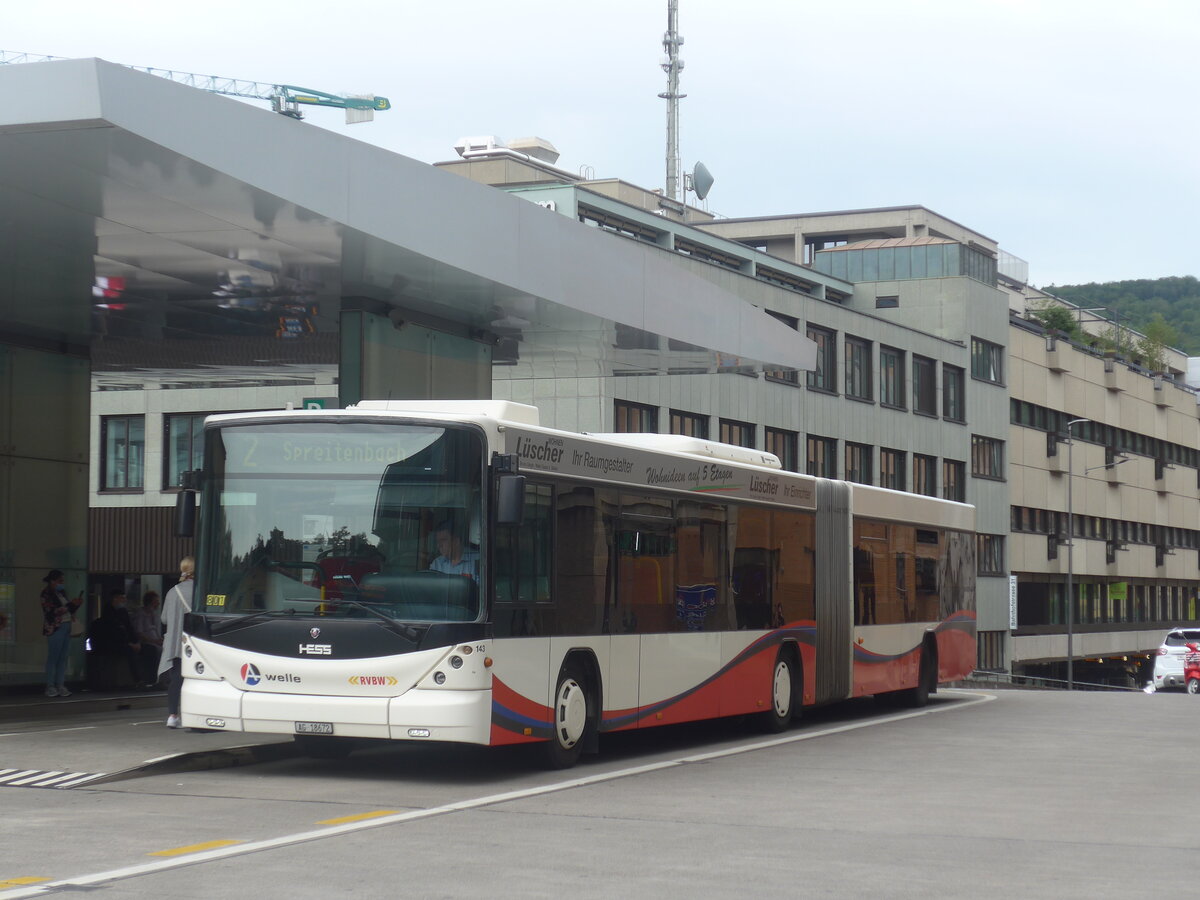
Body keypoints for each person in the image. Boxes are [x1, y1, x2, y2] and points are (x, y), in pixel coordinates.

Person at [157, 557, 193, 729]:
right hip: (197, 642)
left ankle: (173, 715)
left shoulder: (173, 591)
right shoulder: (201, 591)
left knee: (177, 678)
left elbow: (164, 618)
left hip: (177, 643)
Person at [40, 569, 82, 698]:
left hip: (66, 625)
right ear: (52, 581)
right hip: (55, 627)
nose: (62, 583)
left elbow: (67, 610)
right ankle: (50, 686)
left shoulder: (61, 592)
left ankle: (60, 685)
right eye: (60, 581)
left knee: (63, 657)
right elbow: (51, 611)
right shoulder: (46, 594)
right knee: (54, 657)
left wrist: (76, 605)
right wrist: (70, 605)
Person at [94, 590, 142, 688]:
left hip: (126, 641)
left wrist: (136, 642)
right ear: (115, 598)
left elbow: (129, 627)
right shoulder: (108, 612)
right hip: (112, 643)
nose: (124, 600)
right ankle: (138, 680)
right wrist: (129, 644)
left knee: (149, 649)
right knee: (130, 652)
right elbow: (113, 632)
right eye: (122, 598)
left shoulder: (123, 611)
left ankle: (151, 679)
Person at [131, 590, 163, 687]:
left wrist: (160, 640)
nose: (158, 603)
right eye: (156, 601)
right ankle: (152, 680)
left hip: (155, 642)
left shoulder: (154, 614)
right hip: (145, 643)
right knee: (154, 651)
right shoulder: (141, 614)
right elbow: (139, 632)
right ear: (150, 602)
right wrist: (154, 641)